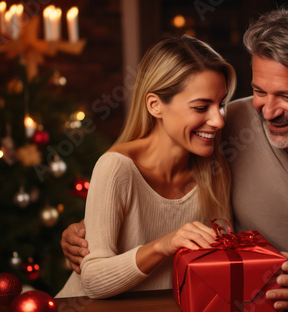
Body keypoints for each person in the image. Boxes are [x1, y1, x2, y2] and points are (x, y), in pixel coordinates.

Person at [61, 4, 288, 309]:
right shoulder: (228, 124)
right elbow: (161, 187)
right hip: (245, 309)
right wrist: (91, 232)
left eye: (287, 96)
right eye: (258, 90)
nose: (268, 111)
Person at [55, 35, 236, 298]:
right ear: (155, 105)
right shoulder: (116, 168)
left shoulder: (214, 168)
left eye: (221, 105)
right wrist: (164, 245)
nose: (218, 121)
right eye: (200, 107)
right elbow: (92, 281)